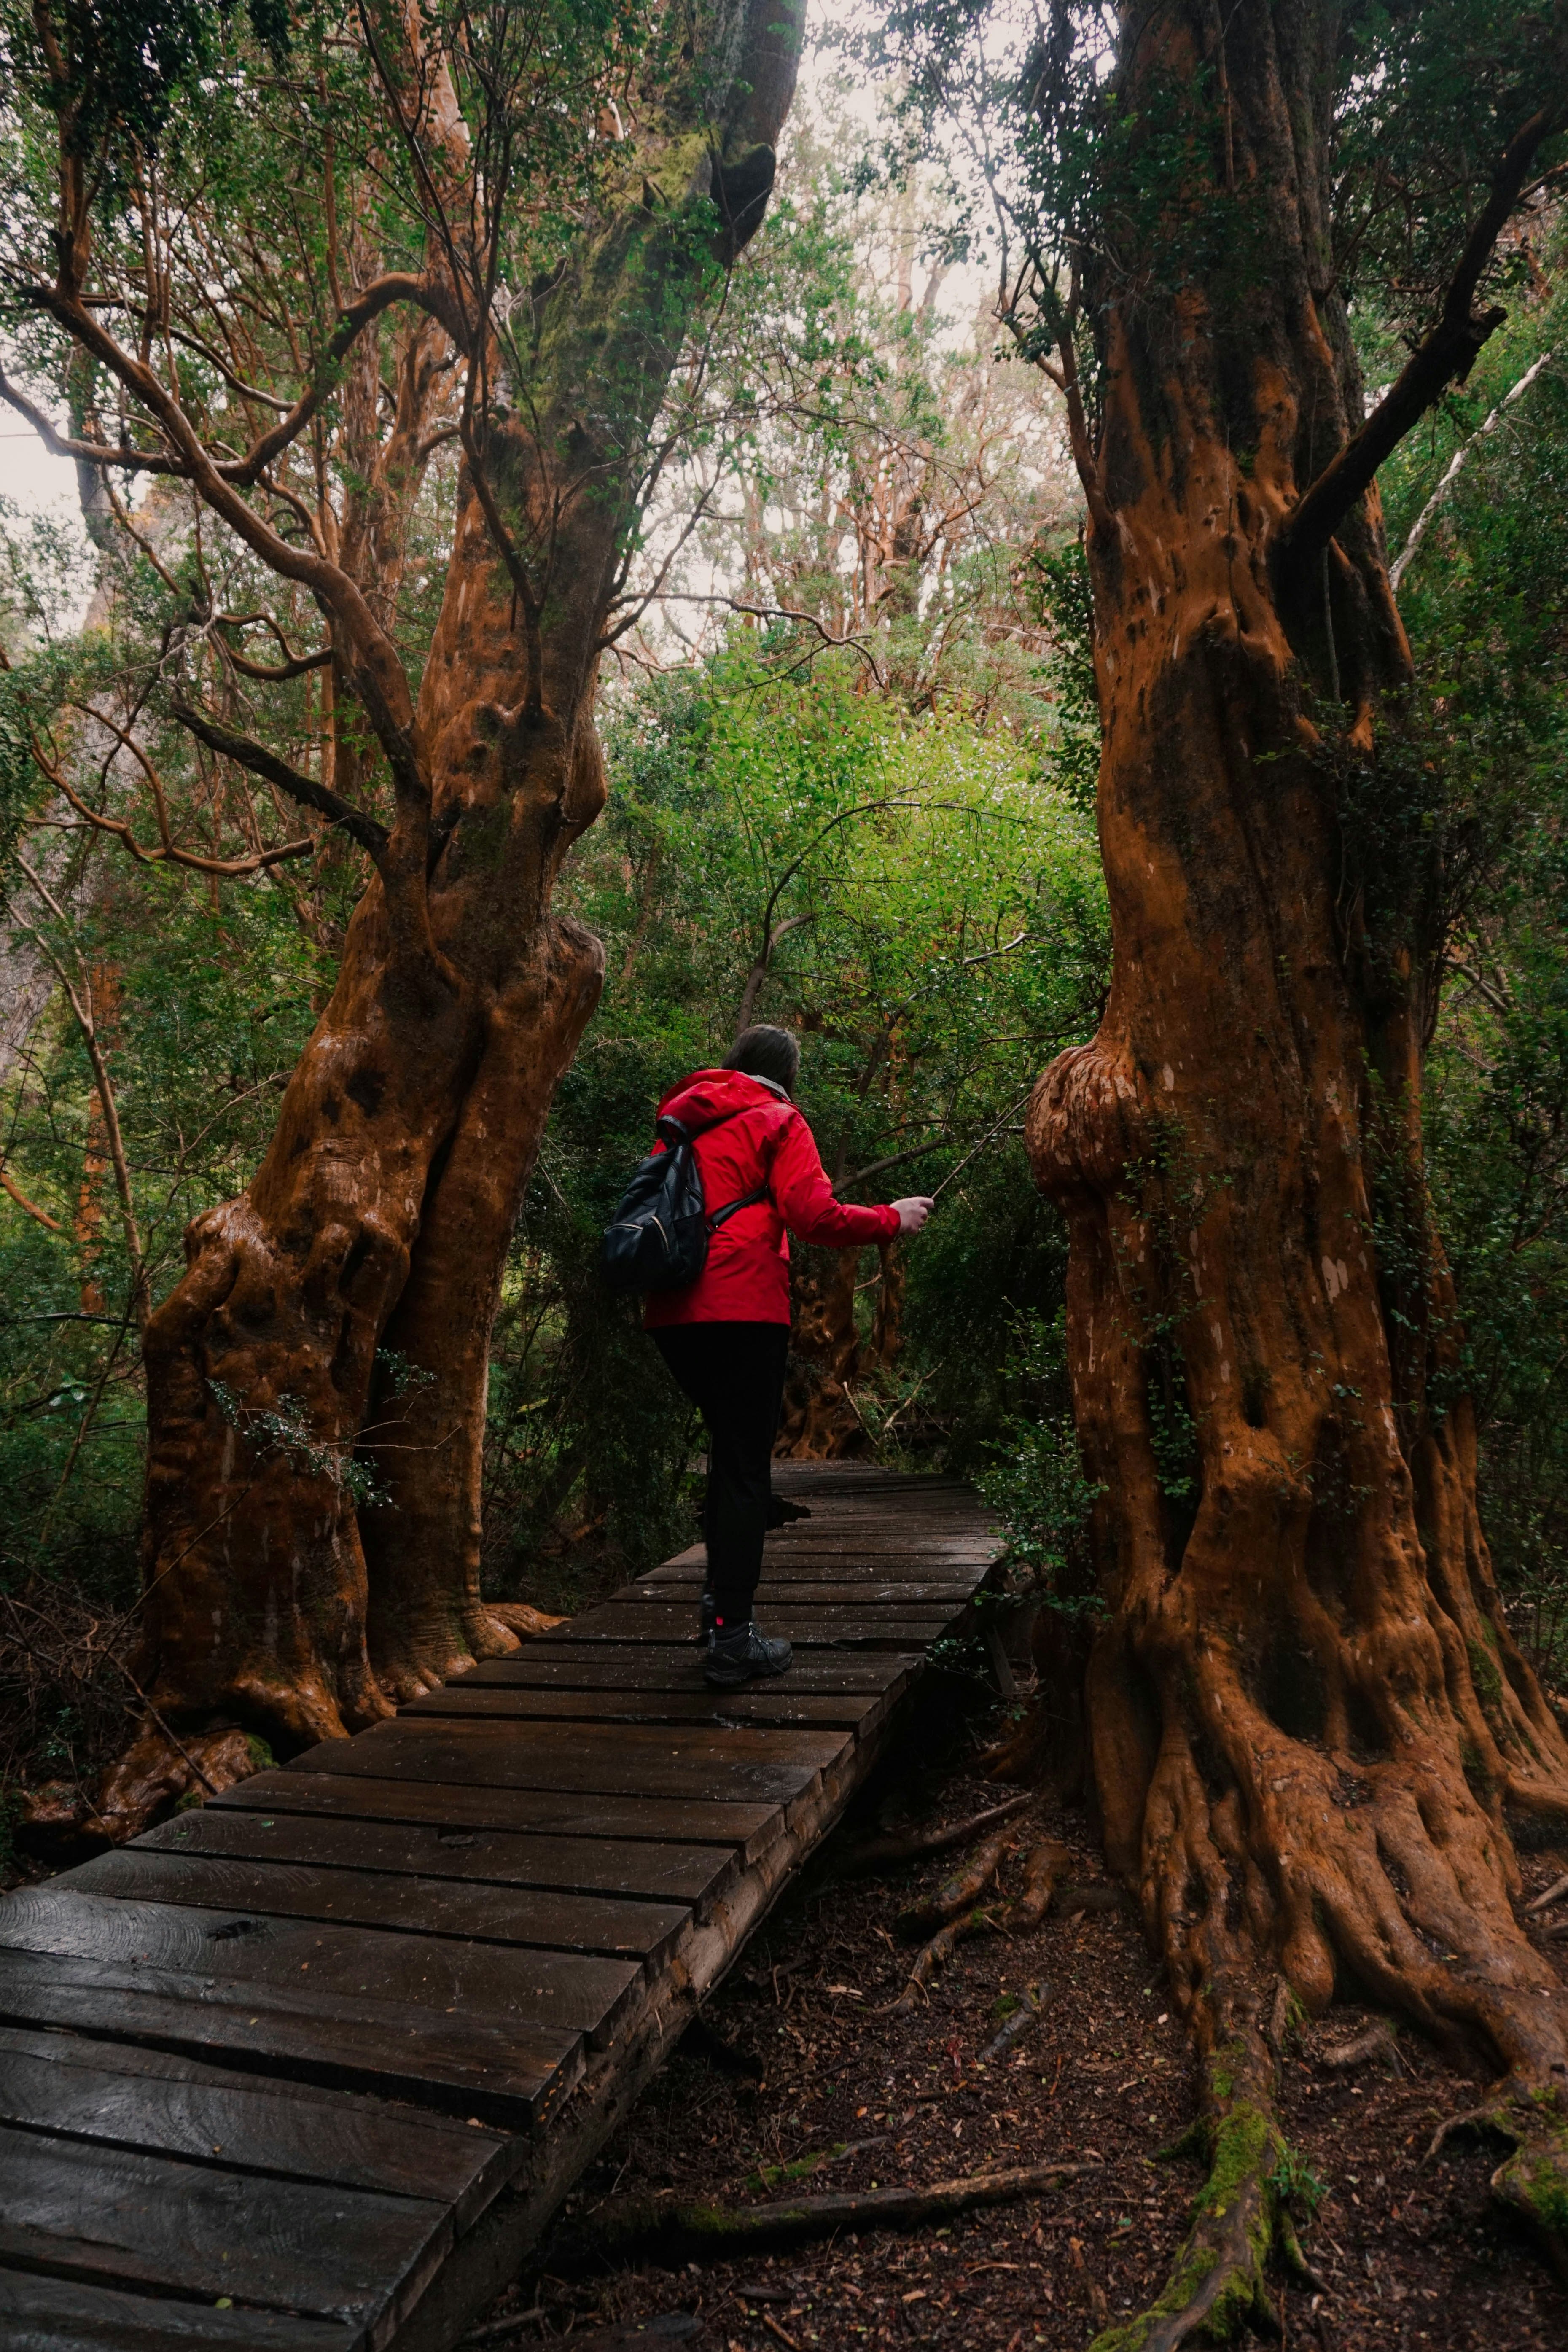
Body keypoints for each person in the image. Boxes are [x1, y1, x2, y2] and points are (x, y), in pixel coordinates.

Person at [645, 1024, 933, 1689]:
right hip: (742, 1308)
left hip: (671, 1312)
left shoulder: (684, 1119)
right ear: (787, 1075)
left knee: (729, 1457)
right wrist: (891, 1218)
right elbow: (813, 1215)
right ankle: (733, 1641)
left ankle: (720, 1615)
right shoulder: (779, 1119)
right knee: (746, 1470)